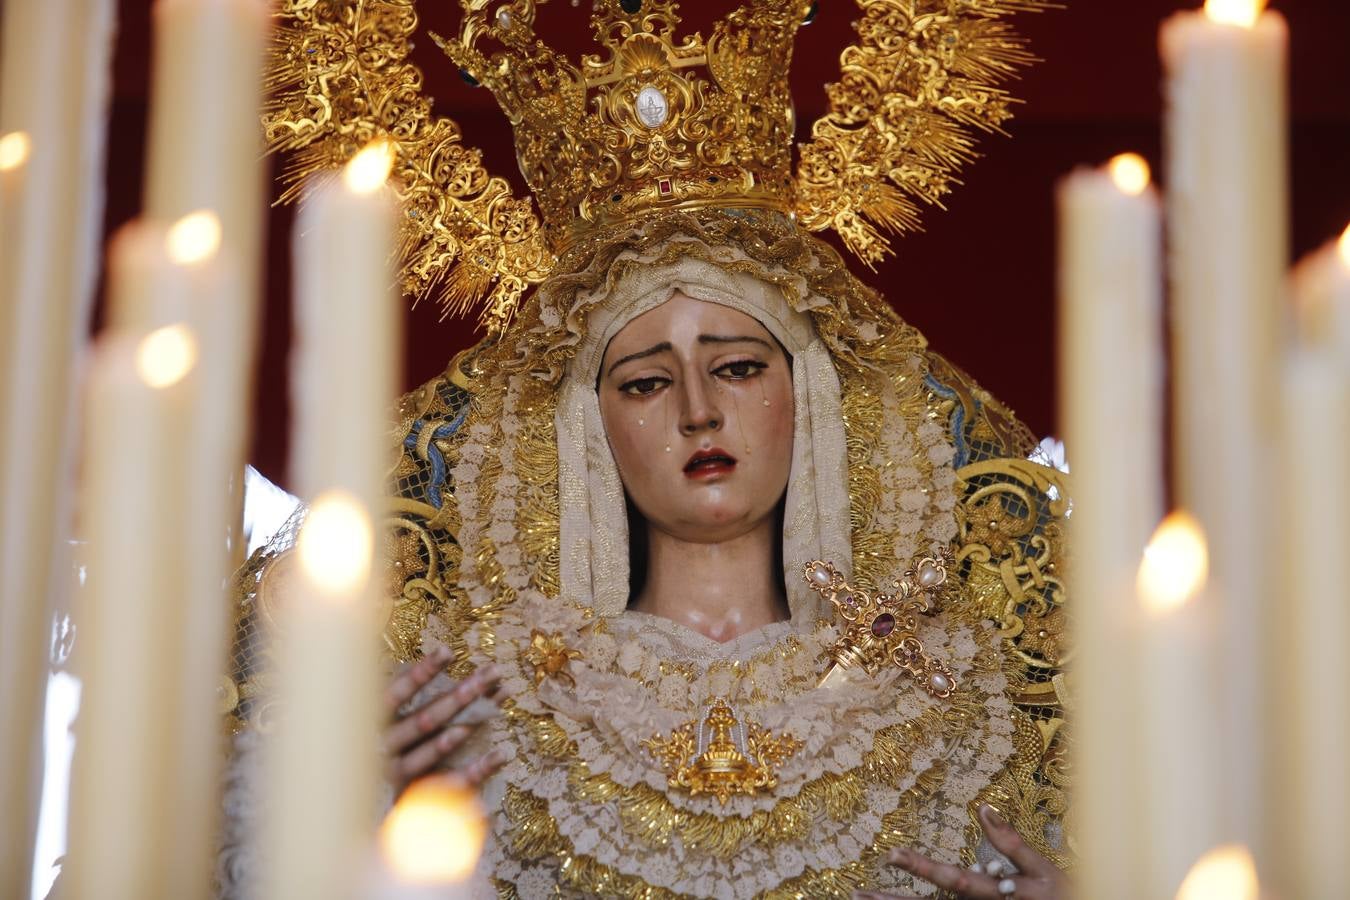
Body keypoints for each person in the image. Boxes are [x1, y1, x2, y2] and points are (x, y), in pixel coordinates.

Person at [221, 1, 1072, 897]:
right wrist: (336, 827)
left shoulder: (967, 684)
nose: (699, 412)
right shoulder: (472, 699)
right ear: (585, 428)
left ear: (812, 397)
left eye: (738, 368)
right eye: (645, 383)